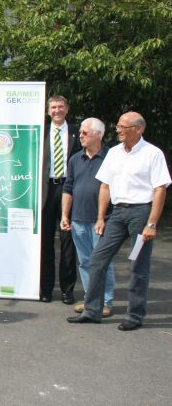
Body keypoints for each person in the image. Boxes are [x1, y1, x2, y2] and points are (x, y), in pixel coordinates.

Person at [68, 112, 170, 330]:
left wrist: (152, 223)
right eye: (118, 126)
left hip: (141, 212)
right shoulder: (114, 153)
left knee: (138, 264)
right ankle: (92, 311)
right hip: (117, 213)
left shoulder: (152, 153)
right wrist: (100, 218)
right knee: (97, 259)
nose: (118, 130)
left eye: (123, 127)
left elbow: (160, 189)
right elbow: (105, 186)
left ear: (138, 129)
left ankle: (134, 315)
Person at [60, 118, 115, 317]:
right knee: (84, 261)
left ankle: (106, 301)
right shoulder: (75, 159)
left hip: (103, 219)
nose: (80, 136)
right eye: (81, 133)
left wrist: (103, 218)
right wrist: (64, 215)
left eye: (85, 133)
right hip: (78, 219)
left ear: (98, 134)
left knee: (103, 262)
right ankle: (90, 300)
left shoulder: (112, 157)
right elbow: (68, 188)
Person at [40, 95, 81, 303]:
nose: (57, 110)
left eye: (61, 107)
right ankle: (45, 289)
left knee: (68, 243)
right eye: (53, 107)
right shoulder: (41, 132)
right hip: (46, 191)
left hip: (69, 189)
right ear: (48, 111)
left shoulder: (77, 132)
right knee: (45, 242)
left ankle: (67, 289)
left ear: (67, 109)